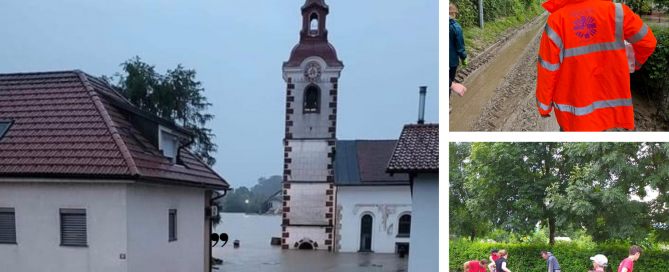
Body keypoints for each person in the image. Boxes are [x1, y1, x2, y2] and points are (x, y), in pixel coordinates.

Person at [535, 0, 657, 131]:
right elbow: (648, 43)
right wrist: (635, 64)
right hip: (607, 108)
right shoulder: (618, 12)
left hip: (573, 114)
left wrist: (544, 106)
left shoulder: (556, 20)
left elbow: (548, 69)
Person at [449, 4, 468, 88]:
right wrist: (463, 57)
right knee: (449, 83)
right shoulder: (455, 27)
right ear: (453, 13)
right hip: (451, 62)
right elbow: (460, 46)